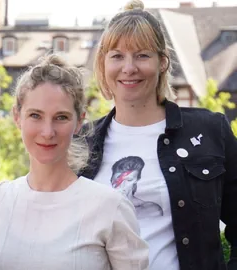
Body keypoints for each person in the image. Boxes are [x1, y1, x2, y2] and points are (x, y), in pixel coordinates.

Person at [79, 0, 237, 269]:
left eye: (142, 55)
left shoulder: (210, 130)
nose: (129, 68)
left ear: (162, 62)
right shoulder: (80, 144)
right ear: (103, 64)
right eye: (117, 56)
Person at [0, 54, 149, 270]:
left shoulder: (110, 207)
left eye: (61, 117)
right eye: (35, 115)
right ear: (17, 117)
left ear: (79, 121)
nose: (47, 132)